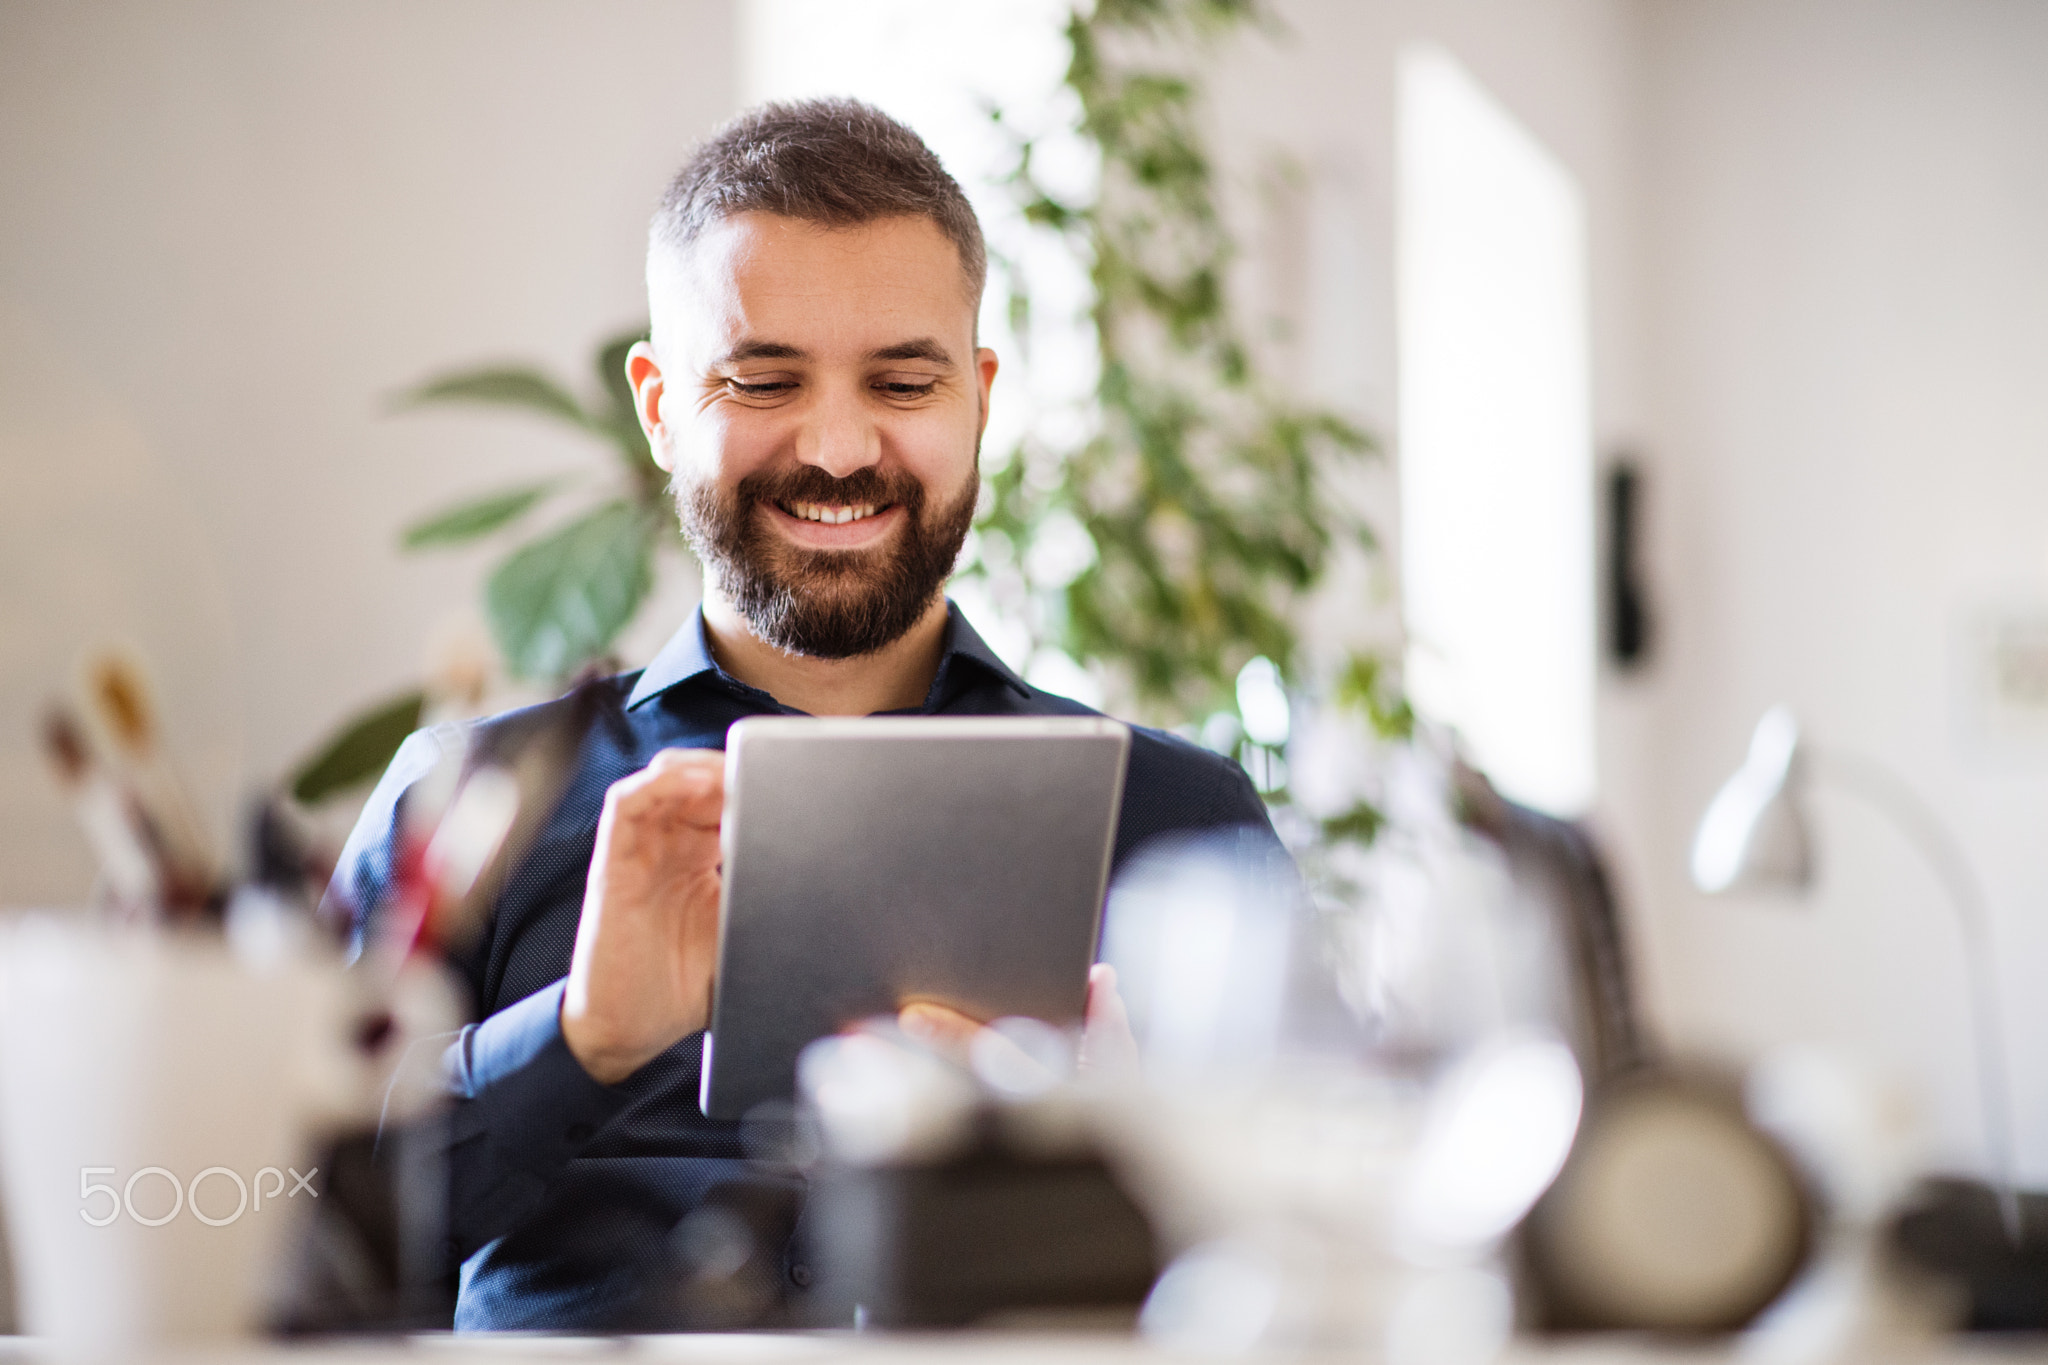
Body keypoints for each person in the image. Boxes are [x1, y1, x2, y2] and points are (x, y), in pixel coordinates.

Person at [328, 98, 1281, 1332]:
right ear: (661, 403)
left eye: (900, 380)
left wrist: (1131, 1159)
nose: (837, 447)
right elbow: (268, 1240)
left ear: (977, 397)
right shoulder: (464, 807)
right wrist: (574, 1042)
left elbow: (1320, 1281)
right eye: (762, 380)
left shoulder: (1184, 820)